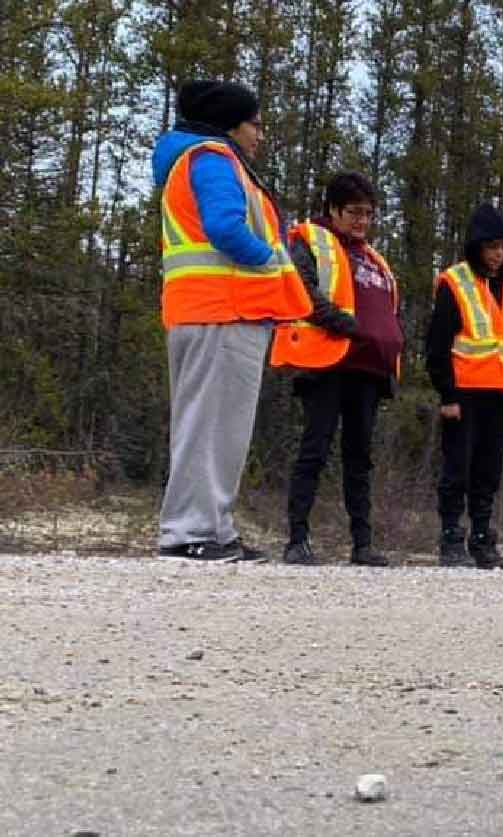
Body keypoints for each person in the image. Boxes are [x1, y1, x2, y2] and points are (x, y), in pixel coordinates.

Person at [153, 80, 312, 562]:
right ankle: (188, 532)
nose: (260, 135)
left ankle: (214, 528)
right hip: (220, 310)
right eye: (255, 124)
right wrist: (270, 259)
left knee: (221, 427)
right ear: (230, 125)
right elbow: (225, 228)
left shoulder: (207, 160)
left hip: (221, 313)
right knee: (208, 425)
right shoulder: (212, 159)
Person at [270, 172, 404, 567]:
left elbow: (391, 310)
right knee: (314, 450)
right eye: (354, 212)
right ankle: (297, 539)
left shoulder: (375, 259)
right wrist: (347, 324)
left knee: (360, 458)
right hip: (326, 363)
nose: (362, 221)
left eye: (369, 213)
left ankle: (362, 544)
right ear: (333, 209)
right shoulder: (310, 240)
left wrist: (393, 339)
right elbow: (301, 292)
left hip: (369, 370)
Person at [425, 204, 503, 569]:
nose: (498, 254)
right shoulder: (455, 283)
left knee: (489, 471)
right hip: (465, 393)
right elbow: (437, 345)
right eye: (491, 247)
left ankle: (483, 539)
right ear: (476, 247)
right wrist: (447, 394)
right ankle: (451, 538)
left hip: (502, 393)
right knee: (458, 468)